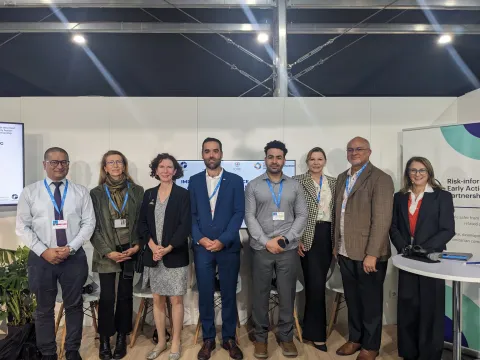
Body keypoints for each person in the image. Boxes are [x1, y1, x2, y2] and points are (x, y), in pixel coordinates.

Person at [15, 147, 96, 360]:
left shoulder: (80, 192)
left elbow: (89, 223)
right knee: (43, 310)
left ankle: (71, 351)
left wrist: (70, 248)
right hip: (41, 259)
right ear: (45, 165)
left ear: (68, 164)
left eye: (63, 162)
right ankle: (48, 353)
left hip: (73, 257)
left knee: (74, 306)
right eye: (54, 162)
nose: (59, 166)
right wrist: (44, 251)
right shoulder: (30, 192)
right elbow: (22, 227)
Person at [245, 140, 308, 359]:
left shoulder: (294, 186)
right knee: (260, 294)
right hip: (261, 249)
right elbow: (249, 217)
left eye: (279, 157)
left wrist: (286, 238)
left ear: (284, 160)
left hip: (288, 249)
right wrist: (265, 241)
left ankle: (286, 337)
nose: (274, 160)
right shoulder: (253, 185)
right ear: (265, 159)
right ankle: (261, 338)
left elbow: (302, 215)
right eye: (270, 156)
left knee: (286, 293)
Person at [333, 137, 394, 360]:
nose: (354, 152)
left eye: (359, 149)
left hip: (369, 254)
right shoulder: (342, 177)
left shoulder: (380, 179)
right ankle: (355, 338)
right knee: (353, 299)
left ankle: (370, 345)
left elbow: (382, 219)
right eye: (350, 149)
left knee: (370, 302)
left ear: (369, 152)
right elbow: (338, 214)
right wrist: (336, 246)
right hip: (345, 250)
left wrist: (372, 254)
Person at [390, 157, 455, 360]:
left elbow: (447, 229)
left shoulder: (441, 196)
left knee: (430, 309)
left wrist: (422, 249)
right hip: (406, 259)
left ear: (429, 173)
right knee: (408, 307)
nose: (417, 174)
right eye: (413, 170)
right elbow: (393, 226)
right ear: (407, 173)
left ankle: (429, 354)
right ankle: (409, 353)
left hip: (431, 260)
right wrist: (404, 248)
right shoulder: (399, 197)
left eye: (422, 170)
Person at [188, 137, 245, 360]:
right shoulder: (193, 181)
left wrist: (223, 239)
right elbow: (191, 215)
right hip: (202, 247)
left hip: (228, 246)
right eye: (207, 151)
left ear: (221, 153)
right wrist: (200, 238)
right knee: (205, 294)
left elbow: (238, 213)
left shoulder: (235, 180)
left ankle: (229, 337)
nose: (211, 155)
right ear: (202, 154)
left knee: (229, 292)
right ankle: (208, 338)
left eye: (215, 151)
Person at [90, 150, 144, 360]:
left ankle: (122, 337)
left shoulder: (137, 191)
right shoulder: (95, 193)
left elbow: (142, 221)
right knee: (107, 297)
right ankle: (105, 339)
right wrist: (107, 251)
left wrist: (137, 245)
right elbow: (92, 227)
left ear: (124, 166)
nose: (115, 165)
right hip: (107, 252)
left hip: (130, 249)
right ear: (104, 167)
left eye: (118, 162)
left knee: (124, 295)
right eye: (110, 162)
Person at [138, 153, 191, 360]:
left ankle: (176, 341)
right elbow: (141, 224)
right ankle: (161, 341)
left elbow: (184, 225)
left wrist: (167, 247)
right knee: (158, 299)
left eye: (170, 167)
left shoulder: (182, 194)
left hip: (175, 254)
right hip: (153, 256)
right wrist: (152, 246)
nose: (166, 170)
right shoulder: (149, 194)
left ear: (175, 171)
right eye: (162, 167)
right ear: (156, 170)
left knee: (176, 299)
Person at [293, 147, 336, 352]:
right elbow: (292, 211)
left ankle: (311, 329)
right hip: (307, 237)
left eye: (320, 159)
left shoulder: (335, 183)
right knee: (315, 285)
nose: (316, 163)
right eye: (312, 159)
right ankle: (317, 335)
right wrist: (297, 238)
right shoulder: (297, 181)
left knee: (317, 285)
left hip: (328, 236)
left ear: (325, 161)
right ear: (307, 162)